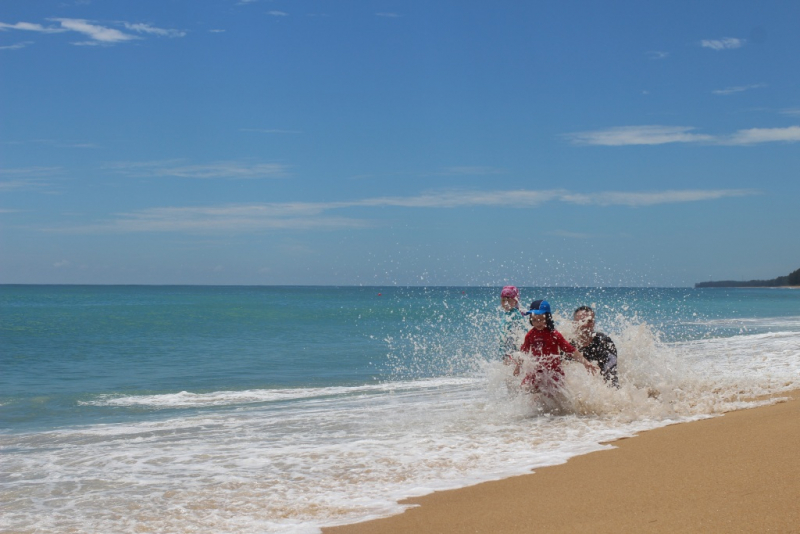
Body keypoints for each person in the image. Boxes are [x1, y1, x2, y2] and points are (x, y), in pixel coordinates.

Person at [513, 300, 596, 392]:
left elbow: (570, 349)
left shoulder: (554, 334)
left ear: (548, 318)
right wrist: (518, 367)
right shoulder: (530, 335)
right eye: (534, 320)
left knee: (556, 396)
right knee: (524, 389)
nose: (538, 323)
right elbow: (523, 352)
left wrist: (585, 362)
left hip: (554, 372)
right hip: (537, 371)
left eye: (541, 319)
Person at [571, 305, 619, 388]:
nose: (585, 324)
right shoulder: (567, 344)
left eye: (589, 321)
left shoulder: (604, 342)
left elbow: (611, 375)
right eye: (582, 321)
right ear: (574, 324)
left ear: (594, 323)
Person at [498, 286, 527, 363]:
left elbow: (524, 330)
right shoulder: (507, 314)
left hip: (515, 348)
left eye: (509, 300)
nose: (506, 303)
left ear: (516, 301)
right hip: (507, 347)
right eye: (503, 300)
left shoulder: (516, 314)